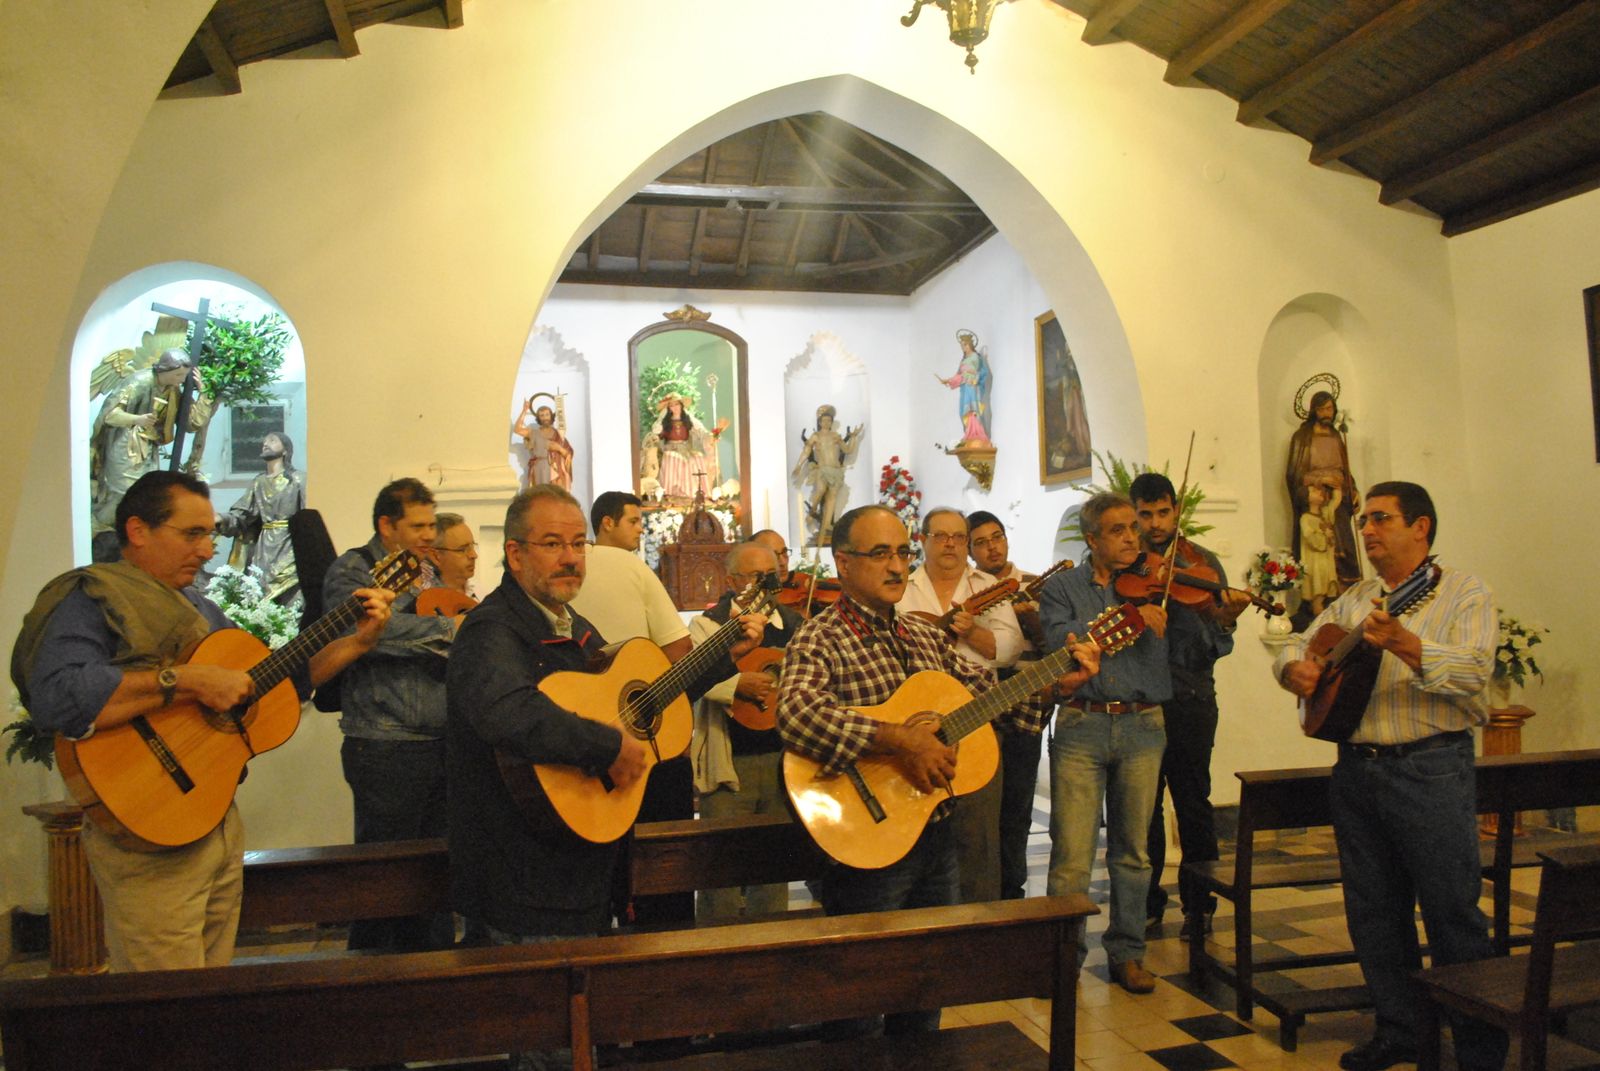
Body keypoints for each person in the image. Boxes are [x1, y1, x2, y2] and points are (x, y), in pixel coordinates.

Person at [13, 470, 393, 971]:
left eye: (210, 534)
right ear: (138, 530)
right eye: (192, 534)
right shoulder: (91, 598)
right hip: (146, 824)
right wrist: (184, 681)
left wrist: (356, 643)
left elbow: (272, 688)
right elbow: (59, 697)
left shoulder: (198, 606)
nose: (208, 549)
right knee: (164, 1009)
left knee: (208, 993)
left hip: (212, 820)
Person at [447, 485, 760, 1068]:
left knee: (574, 1032)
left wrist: (722, 654)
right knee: (542, 1042)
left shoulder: (574, 626)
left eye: (577, 545)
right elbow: (509, 712)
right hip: (523, 873)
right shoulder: (492, 630)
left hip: (576, 864)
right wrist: (604, 745)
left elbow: (647, 699)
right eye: (551, 544)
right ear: (515, 555)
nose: (570, 558)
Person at [778, 504, 1098, 1033]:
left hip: (933, 836)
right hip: (867, 841)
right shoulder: (820, 637)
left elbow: (985, 701)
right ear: (843, 563)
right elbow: (796, 714)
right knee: (858, 1001)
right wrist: (897, 738)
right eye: (880, 553)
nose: (897, 566)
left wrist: (1054, 685)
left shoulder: (926, 638)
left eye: (902, 552)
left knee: (926, 990)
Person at [1273, 482, 1506, 1071]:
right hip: (1357, 771)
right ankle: (1400, 1030)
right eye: (1364, 520)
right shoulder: (1356, 599)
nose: (1367, 531)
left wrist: (1407, 643)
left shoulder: (1463, 592)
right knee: (1374, 912)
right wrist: (1293, 670)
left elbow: (1475, 671)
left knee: (1452, 912)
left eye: (1380, 519)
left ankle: (1480, 1047)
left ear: (1421, 527)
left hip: (1430, 767)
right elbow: (1301, 641)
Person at [1038, 491, 1170, 994]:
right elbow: (1060, 638)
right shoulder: (1063, 586)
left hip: (1142, 725)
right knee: (1071, 852)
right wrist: (1127, 617)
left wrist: (1220, 614)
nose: (1132, 538)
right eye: (1118, 530)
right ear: (1092, 539)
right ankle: (1062, 959)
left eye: (1134, 528)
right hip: (1082, 724)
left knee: (1133, 852)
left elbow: (1200, 644)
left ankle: (1128, 952)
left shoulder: (1156, 584)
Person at [324, 476, 462, 952]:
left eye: (431, 525)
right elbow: (367, 630)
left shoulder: (428, 574)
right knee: (384, 879)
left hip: (439, 742)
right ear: (387, 524)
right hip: (384, 743)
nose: (429, 535)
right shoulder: (353, 570)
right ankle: (372, 983)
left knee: (434, 878)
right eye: (418, 525)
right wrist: (448, 629)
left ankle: (432, 984)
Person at [1127, 473, 1250, 939]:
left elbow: (1211, 648)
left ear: (1176, 511)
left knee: (1193, 801)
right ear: (1135, 513)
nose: (1156, 524)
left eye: (1163, 512)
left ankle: (1200, 905)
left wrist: (1223, 621)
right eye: (1146, 514)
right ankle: (1148, 902)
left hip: (1191, 697)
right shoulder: (1127, 563)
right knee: (1144, 807)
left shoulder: (1201, 563)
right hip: (1140, 700)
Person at [570, 490, 694, 924]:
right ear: (605, 523)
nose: (642, 530)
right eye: (634, 521)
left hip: (575, 744)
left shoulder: (565, 573)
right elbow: (680, 649)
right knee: (658, 873)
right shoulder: (631, 567)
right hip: (642, 739)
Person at [899, 507, 1024, 904]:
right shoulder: (901, 588)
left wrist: (974, 631)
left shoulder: (986, 586)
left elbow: (1009, 651)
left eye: (958, 536)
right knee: (914, 830)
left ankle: (979, 933)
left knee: (977, 834)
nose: (950, 543)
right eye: (940, 536)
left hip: (976, 723)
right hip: (913, 725)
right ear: (922, 541)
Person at [691, 541, 802, 920]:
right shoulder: (707, 624)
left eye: (771, 576)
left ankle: (772, 953)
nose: (767, 584)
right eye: (756, 577)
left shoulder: (793, 625)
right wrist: (737, 685)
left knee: (773, 871)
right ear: (731, 579)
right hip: (728, 762)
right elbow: (692, 680)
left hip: (780, 759)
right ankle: (717, 956)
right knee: (719, 871)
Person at [965, 509, 1049, 901]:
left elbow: (1055, 644)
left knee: (1017, 803)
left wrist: (1030, 620)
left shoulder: (1035, 583)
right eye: (980, 541)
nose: (991, 546)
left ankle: (1012, 887)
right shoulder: (968, 592)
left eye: (996, 537)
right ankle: (981, 889)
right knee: (983, 806)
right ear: (970, 550)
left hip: (1028, 702)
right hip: (983, 700)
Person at [90, 349, 213, 546]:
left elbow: (192, 424)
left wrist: (204, 393)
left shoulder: (173, 391)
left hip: (148, 447)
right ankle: (101, 530)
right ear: (165, 370)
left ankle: (131, 539)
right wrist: (137, 419)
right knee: (123, 494)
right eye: (178, 375)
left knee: (144, 497)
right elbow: (109, 415)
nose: (181, 379)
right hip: (126, 445)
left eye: (184, 376)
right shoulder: (139, 382)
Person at [215, 431, 306, 605]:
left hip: (289, 544)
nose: (266, 443)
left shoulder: (298, 479)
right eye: (264, 441)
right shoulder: (259, 482)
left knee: (291, 596)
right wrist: (222, 519)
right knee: (261, 594)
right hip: (264, 548)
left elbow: (306, 515)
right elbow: (243, 514)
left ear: (286, 450)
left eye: (272, 440)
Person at [1286, 389, 1360, 590]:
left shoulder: (1336, 436)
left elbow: (1345, 468)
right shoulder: (1302, 437)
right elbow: (1294, 474)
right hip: (1316, 498)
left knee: (1344, 543)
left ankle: (1347, 589)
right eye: (1322, 409)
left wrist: (1353, 489)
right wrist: (1321, 480)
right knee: (1321, 545)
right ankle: (1321, 594)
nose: (1327, 413)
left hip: (1339, 497)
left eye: (1330, 409)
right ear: (1314, 411)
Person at [791, 404, 864, 546]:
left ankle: (826, 527)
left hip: (836, 471)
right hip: (823, 470)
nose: (826, 423)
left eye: (829, 421)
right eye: (824, 420)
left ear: (831, 422)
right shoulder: (816, 436)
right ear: (820, 422)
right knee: (820, 490)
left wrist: (854, 437)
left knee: (831, 499)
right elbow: (807, 451)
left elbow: (848, 450)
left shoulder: (835, 436)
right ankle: (812, 512)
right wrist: (798, 466)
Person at [640, 394, 721, 502]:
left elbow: (701, 432)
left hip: (686, 448)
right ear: (668, 408)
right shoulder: (665, 422)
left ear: (681, 405)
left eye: (677, 404)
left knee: (697, 457)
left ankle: (695, 492)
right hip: (671, 448)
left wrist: (712, 436)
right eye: (671, 405)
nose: (675, 407)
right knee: (671, 457)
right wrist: (654, 438)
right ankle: (671, 491)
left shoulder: (687, 420)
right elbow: (658, 435)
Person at [934, 330, 992, 446]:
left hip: (972, 387)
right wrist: (948, 380)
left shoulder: (976, 357)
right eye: (961, 345)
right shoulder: (963, 360)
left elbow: (983, 372)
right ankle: (969, 434)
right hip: (965, 388)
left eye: (964, 345)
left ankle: (978, 435)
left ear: (970, 344)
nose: (963, 347)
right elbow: (959, 376)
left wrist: (974, 375)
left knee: (973, 410)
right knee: (964, 411)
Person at [514, 396, 574, 490]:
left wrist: (559, 448)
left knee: (555, 496)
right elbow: (517, 429)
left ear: (551, 416)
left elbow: (568, 454)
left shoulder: (559, 435)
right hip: (539, 468)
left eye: (547, 414)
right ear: (538, 418)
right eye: (542, 415)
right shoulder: (533, 433)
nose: (545, 418)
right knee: (540, 494)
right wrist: (524, 410)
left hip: (555, 469)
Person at [1299, 482, 1341, 616]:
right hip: (1315, 561)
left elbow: (1335, 501)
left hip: (1326, 559)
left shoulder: (1324, 514)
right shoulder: (1305, 518)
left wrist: (1336, 482)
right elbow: (1310, 536)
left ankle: (1325, 619)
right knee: (1318, 594)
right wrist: (1324, 535)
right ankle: (1318, 622)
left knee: (1328, 591)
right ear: (1306, 498)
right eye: (1313, 491)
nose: (1319, 492)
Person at [432, 512, 479, 597]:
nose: (474, 555)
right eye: (462, 550)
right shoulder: (423, 601)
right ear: (437, 557)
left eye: (472, 546)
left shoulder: (482, 594)